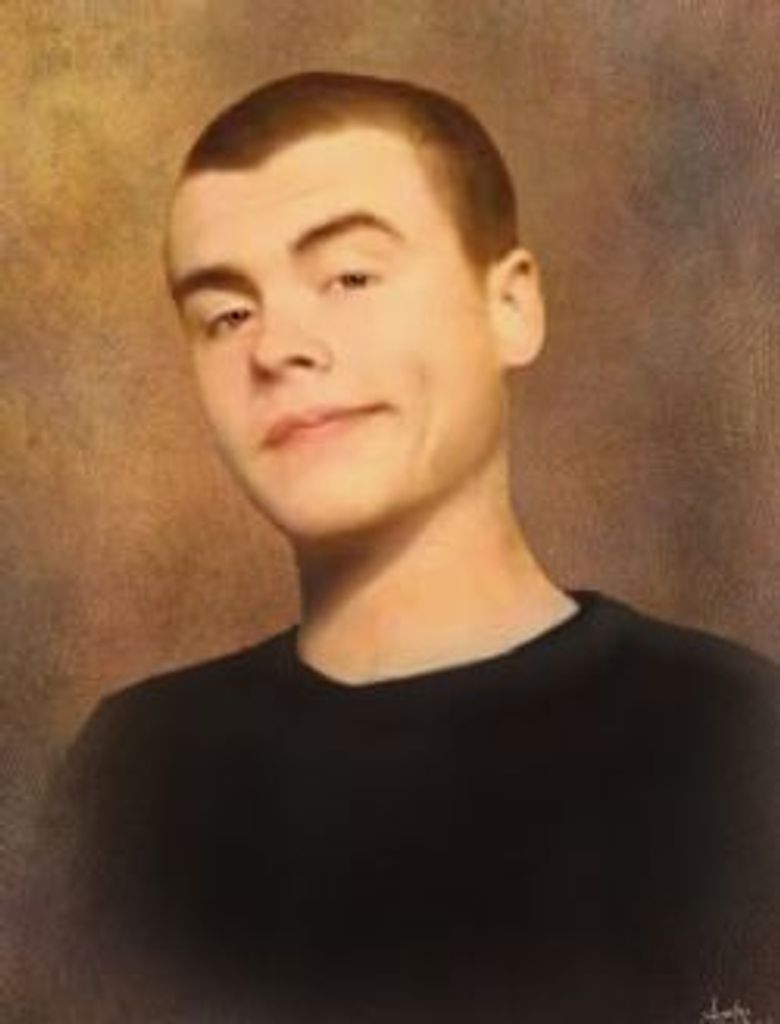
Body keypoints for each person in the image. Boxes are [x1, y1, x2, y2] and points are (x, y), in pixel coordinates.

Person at [31, 72, 779, 1023]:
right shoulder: (132, 774)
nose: (278, 346)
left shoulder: (736, 742)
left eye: (350, 277)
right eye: (226, 314)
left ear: (510, 307)